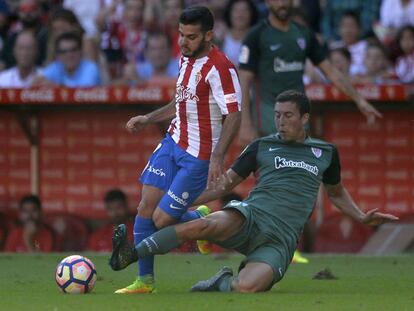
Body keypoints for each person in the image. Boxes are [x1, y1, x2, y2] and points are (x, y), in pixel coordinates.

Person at [109, 90, 398, 293]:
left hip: (281, 241)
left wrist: (361, 216)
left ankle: (221, 282)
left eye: (288, 116)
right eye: (277, 115)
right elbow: (226, 183)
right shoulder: (263, 145)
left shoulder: (326, 152)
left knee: (247, 287)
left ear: (305, 118)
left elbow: (335, 193)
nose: (281, 122)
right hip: (251, 216)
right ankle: (131, 254)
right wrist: (180, 200)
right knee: (203, 225)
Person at [115, 6, 241, 294]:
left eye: (191, 36)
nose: (183, 42)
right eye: (181, 35)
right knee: (145, 209)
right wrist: (149, 119)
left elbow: (235, 114)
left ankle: (201, 219)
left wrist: (217, 158)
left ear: (209, 35)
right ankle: (145, 282)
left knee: (160, 221)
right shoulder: (185, 59)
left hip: (198, 156)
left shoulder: (221, 68)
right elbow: (180, 103)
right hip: (173, 142)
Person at [238, 0, 382, 146]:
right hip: (268, 114)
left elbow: (331, 71)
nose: (281, 4)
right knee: (272, 167)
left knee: (299, 166)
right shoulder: (256, 36)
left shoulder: (303, 33)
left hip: (298, 116)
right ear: (268, 3)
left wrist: (359, 99)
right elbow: (243, 81)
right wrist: (245, 123)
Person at [33, 31, 101, 87]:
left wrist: (58, 87)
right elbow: (36, 81)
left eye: (73, 50)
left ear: (81, 52)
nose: (69, 55)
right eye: (63, 51)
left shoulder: (91, 68)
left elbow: (83, 93)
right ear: (57, 56)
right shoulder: (56, 66)